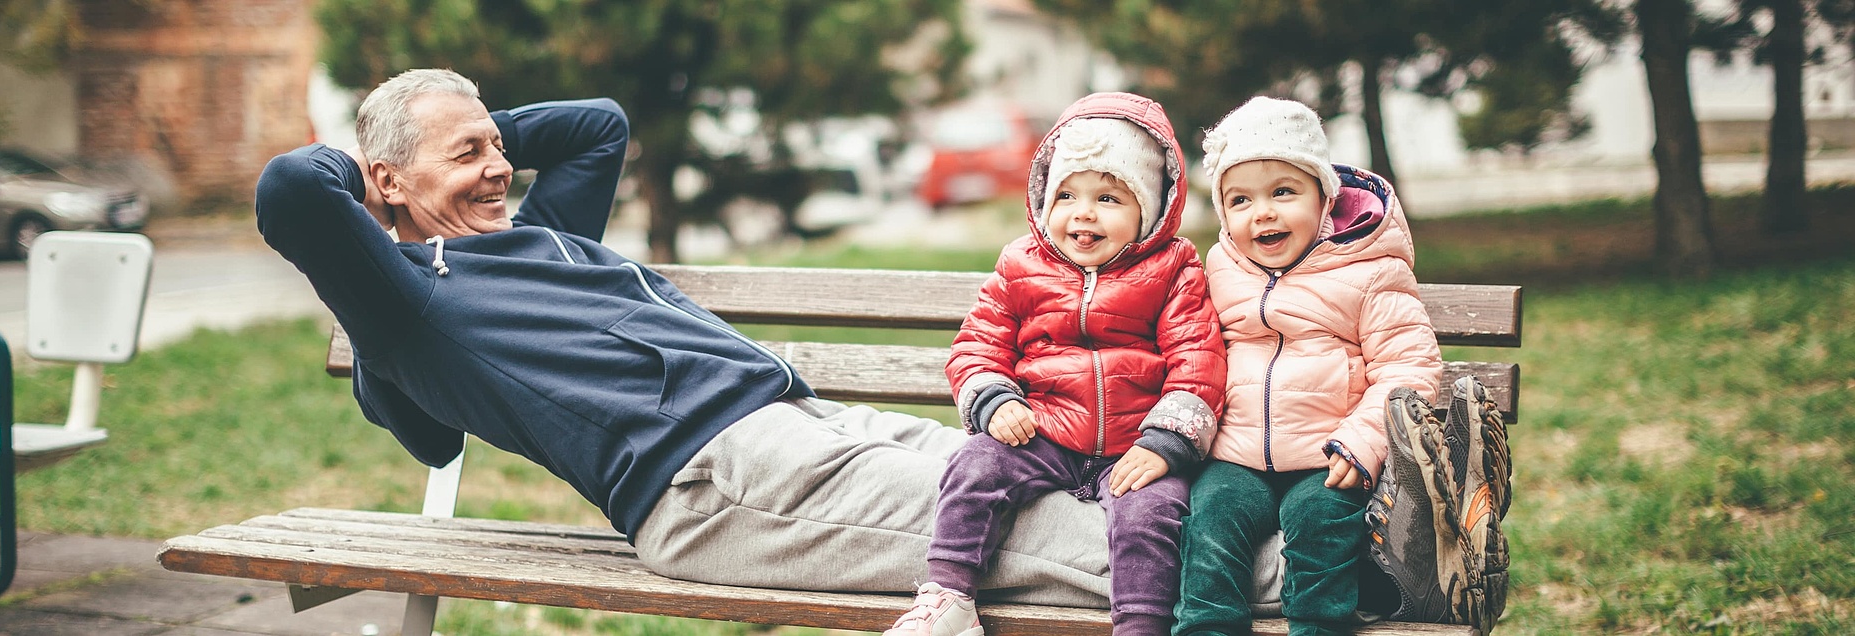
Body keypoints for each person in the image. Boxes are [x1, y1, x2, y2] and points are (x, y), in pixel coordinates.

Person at [253, 68, 1119, 608]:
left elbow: (598, 126)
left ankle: (1241, 526)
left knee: (1062, 466)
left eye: (498, 146)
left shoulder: (539, 234)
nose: (499, 168)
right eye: (468, 153)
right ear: (387, 181)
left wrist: (466, 131)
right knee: (1051, 531)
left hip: (808, 425)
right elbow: (294, 187)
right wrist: (374, 178)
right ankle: (1250, 576)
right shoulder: (408, 302)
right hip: (714, 476)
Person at [882, 92, 1224, 636]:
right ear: (1044, 199)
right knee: (975, 465)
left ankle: (1141, 625)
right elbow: (978, 344)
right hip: (1043, 429)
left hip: (1135, 444)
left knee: (1152, 515)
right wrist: (994, 398)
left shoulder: (1174, 270)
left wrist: (1166, 444)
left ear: (1151, 210)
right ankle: (948, 596)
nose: (1083, 212)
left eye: (1109, 198)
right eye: (1067, 195)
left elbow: (1197, 362)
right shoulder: (1021, 265)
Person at [1173, 96, 1444, 636]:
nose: (1263, 212)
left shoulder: (1369, 269)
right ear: (1224, 214)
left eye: (1283, 192)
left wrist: (1365, 442)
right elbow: (1197, 351)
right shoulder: (1223, 268)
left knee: (1320, 522)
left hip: (1331, 454)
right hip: (1237, 455)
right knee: (1210, 522)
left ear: (1325, 198)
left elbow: (1408, 367)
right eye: (1241, 200)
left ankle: (1318, 627)